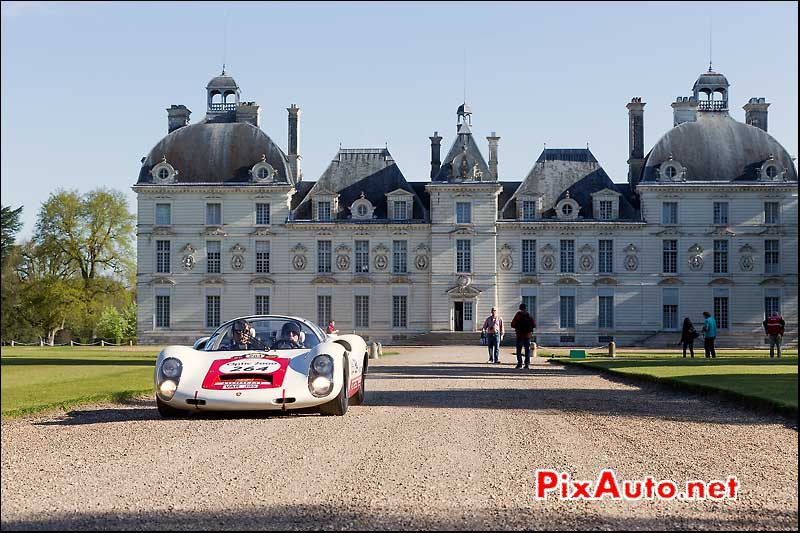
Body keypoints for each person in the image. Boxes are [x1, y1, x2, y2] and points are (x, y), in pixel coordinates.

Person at [510, 303, 536, 369]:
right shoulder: (528, 315)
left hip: (519, 335)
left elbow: (512, 324)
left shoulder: (518, 315)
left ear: (520, 308)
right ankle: (527, 364)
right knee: (527, 350)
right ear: (525, 308)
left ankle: (519, 364)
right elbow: (534, 324)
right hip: (527, 335)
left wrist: (517, 326)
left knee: (519, 350)